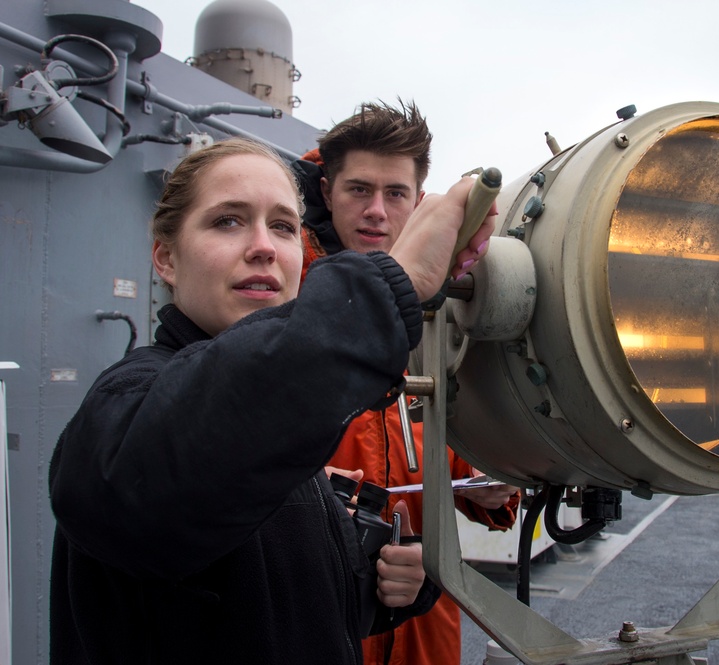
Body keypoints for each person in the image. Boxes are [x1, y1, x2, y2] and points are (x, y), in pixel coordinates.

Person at [47, 137, 496, 665]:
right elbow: (160, 490)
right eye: (228, 221)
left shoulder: (277, 426)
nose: (264, 245)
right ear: (166, 258)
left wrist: (396, 581)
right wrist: (387, 288)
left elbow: (285, 615)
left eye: (283, 226)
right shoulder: (126, 403)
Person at [292, 100, 520, 665]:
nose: (376, 211)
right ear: (325, 192)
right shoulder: (280, 303)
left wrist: (493, 488)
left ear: (419, 203)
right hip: (318, 624)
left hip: (423, 632)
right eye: (357, 190)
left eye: (395, 194)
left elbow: (457, 451)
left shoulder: (441, 311)